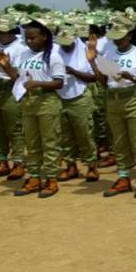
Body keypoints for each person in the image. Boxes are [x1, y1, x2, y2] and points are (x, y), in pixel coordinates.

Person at [0, 19, 66, 198]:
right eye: (27, 38)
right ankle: (33, 178)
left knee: (49, 143)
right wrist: (6, 66)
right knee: (31, 143)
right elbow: (18, 77)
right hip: (28, 102)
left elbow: (59, 82)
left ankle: (51, 179)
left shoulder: (53, 56)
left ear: (44, 37)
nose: (30, 41)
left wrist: (38, 83)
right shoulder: (24, 55)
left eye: (33, 38)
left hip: (46, 101)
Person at [90, 18, 136, 198]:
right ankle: (123, 177)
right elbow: (104, 82)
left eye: (121, 37)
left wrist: (130, 77)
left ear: (129, 35)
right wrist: (93, 64)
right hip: (113, 100)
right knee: (119, 142)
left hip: (133, 98)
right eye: (115, 37)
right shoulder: (109, 54)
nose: (117, 40)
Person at [56, 21, 100, 184]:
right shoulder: (55, 51)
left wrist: (74, 72)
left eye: (68, 43)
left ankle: (91, 166)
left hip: (80, 97)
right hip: (60, 97)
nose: (65, 47)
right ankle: (71, 166)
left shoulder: (84, 50)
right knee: (65, 135)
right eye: (63, 44)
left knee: (85, 134)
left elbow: (94, 77)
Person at [0, 17, 27, 181]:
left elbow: (19, 73)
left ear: (11, 31)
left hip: (10, 88)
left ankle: (18, 162)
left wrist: (3, 64)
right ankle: (2, 161)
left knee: (14, 127)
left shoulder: (20, 48)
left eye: (2, 32)